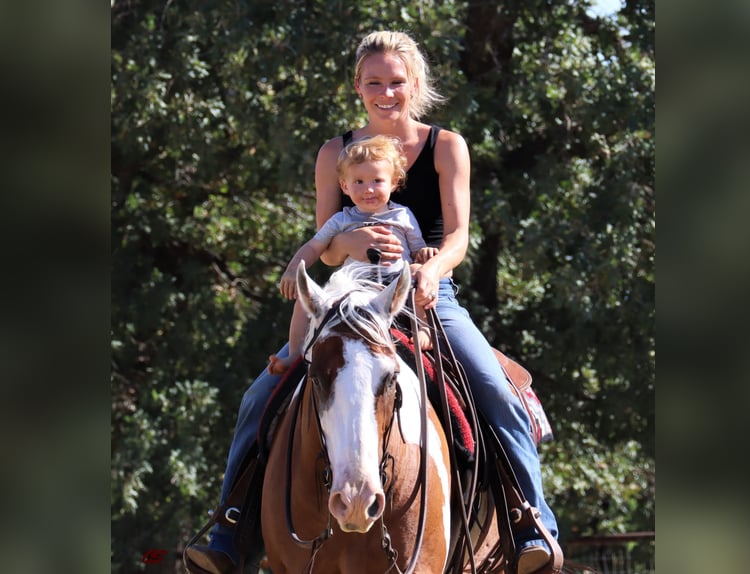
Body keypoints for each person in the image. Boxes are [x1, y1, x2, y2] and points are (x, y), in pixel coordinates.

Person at [185, 30, 558, 574]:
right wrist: (350, 244)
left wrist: (430, 268)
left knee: (497, 392)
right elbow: (324, 245)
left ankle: (532, 525)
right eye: (374, 82)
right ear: (358, 86)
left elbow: (457, 236)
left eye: (397, 82)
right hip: (348, 293)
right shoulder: (336, 152)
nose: (387, 93)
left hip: (428, 294)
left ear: (416, 84)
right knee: (257, 398)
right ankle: (230, 530)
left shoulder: (445, 146)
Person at [267, 134, 437, 375]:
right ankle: (295, 354)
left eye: (377, 180)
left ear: (394, 183)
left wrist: (425, 255)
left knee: (416, 277)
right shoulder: (342, 219)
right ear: (344, 186)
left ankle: (424, 329)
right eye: (358, 181)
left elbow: (417, 250)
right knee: (305, 301)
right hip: (352, 289)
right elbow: (315, 246)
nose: (368, 189)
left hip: (393, 286)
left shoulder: (403, 216)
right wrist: (294, 268)